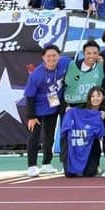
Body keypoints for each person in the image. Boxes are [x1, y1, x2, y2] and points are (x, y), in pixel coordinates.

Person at [23, 44, 70, 177]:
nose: (51, 58)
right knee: (34, 137)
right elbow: (29, 96)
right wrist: (31, 116)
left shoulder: (65, 62)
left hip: (53, 106)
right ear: (43, 57)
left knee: (49, 137)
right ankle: (31, 165)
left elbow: (78, 63)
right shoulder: (36, 75)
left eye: (54, 55)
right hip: (37, 109)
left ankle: (46, 163)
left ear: (59, 56)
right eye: (48, 56)